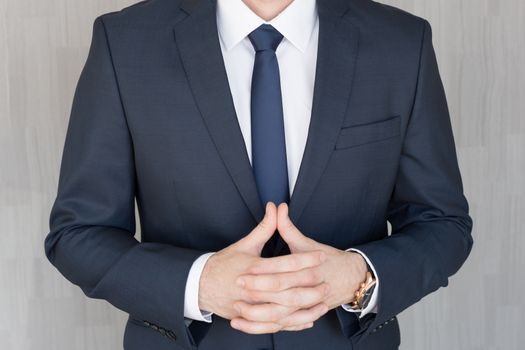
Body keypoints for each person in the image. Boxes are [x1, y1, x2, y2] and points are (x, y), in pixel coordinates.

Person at [44, 0, 474, 349]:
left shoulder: (401, 42)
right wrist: (200, 284)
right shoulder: (124, 43)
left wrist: (358, 279)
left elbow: (442, 223)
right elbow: (79, 233)